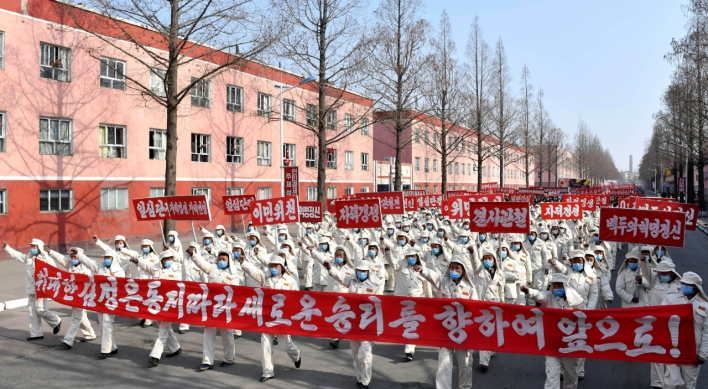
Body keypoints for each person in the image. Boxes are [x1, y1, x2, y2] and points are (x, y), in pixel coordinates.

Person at [236, 254, 302, 382]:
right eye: (271, 266)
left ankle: (296, 355)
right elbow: (253, 271)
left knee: (285, 345)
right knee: (265, 343)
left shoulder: (290, 280)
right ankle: (268, 372)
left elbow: (296, 299)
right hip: (267, 317)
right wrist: (244, 262)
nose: (273, 268)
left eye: (275, 266)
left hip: (283, 318)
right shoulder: (265, 278)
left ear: (282, 267)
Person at [415, 255, 477, 389]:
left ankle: (465, 387)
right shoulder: (444, 281)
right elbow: (433, 276)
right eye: (452, 267)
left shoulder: (470, 288)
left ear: (463, 271)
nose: (454, 270)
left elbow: (476, 310)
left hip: (463, 331)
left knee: (465, 364)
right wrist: (422, 270)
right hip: (446, 330)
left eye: (457, 268)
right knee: (443, 364)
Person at [521, 273, 586, 389]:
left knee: (571, 377)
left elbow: (584, 322)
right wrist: (528, 291)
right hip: (552, 343)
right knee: (551, 376)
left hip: (570, 345)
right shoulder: (549, 296)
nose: (556, 288)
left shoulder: (578, 301)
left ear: (566, 285)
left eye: (559, 285)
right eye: (554, 285)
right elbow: (539, 295)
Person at [325, 260, 382, 389]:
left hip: (368, 322)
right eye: (359, 271)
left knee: (365, 354)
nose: (361, 273)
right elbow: (338, 275)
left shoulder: (376, 283)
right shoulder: (351, 280)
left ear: (369, 272)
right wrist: (329, 267)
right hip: (353, 322)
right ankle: (360, 377)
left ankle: (365, 381)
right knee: (356, 353)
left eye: (364, 271)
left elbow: (381, 303)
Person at [189, 246, 239, 371]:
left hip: (226, 308)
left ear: (229, 261)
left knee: (227, 334)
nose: (221, 261)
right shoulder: (213, 269)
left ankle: (229, 358)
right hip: (211, 307)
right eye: (220, 259)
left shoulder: (234, 275)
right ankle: (207, 361)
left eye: (224, 259)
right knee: (208, 333)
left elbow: (236, 292)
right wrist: (194, 255)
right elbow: (202, 264)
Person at [129, 250, 183, 366]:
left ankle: (155, 355)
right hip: (157, 303)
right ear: (162, 260)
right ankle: (175, 348)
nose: (168, 261)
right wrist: (137, 261)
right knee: (164, 326)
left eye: (170, 259)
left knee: (163, 329)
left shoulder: (177, 270)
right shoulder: (156, 268)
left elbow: (180, 287)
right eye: (166, 259)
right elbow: (146, 265)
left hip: (169, 304)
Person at [3, 239, 62, 340]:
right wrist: (7, 248)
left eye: (34, 247)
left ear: (39, 247)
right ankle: (36, 333)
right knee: (32, 312)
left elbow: (55, 272)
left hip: (42, 289)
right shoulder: (29, 257)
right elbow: (18, 256)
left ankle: (56, 321)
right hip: (31, 289)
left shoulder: (46, 259)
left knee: (41, 310)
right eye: (31, 247)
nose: (32, 249)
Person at [75, 247, 125, 358]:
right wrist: (78, 253)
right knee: (103, 325)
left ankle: (105, 350)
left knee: (107, 324)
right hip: (100, 301)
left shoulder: (119, 272)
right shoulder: (100, 267)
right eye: (105, 257)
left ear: (114, 259)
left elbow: (121, 288)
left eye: (109, 258)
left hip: (111, 302)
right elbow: (89, 262)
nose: (107, 259)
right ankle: (113, 347)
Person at [661, 272, 708, 389]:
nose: (684, 286)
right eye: (683, 283)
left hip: (692, 352)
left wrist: (703, 354)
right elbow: (660, 320)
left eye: (688, 284)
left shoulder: (704, 306)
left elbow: (706, 331)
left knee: (688, 385)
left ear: (695, 287)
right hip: (672, 349)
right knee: (670, 384)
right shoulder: (670, 299)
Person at [385, 246, 426, 361]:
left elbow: (426, 286)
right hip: (402, 300)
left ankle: (409, 350)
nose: (411, 258)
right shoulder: (400, 264)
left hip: (416, 299)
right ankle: (408, 341)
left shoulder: (423, 267)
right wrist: (388, 251)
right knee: (405, 323)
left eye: (413, 256)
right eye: (409, 256)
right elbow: (391, 261)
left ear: (417, 256)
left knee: (411, 323)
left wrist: (428, 301)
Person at [51, 248, 96, 348]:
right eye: (71, 257)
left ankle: (68, 340)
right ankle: (90, 334)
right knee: (81, 315)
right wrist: (51, 252)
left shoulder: (85, 268)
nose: (73, 258)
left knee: (75, 318)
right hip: (73, 295)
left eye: (75, 256)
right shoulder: (71, 265)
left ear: (80, 257)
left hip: (82, 296)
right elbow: (61, 259)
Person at [467, 248, 504, 372]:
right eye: (485, 259)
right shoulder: (478, 269)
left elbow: (501, 290)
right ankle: (480, 358)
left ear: (494, 260)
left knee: (488, 331)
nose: (487, 260)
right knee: (478, 330)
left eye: (490, 258)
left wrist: (502, 305)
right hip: (479, 304)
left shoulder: (500, 274)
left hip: (493, 305)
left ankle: (484, 361)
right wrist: (472, 252)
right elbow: (474, 261)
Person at [646, 261, 681, 389]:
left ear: (672, 273)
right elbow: (647, 271)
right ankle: (657, 383)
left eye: (665, 272)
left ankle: (669, 383)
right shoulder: (655, 281)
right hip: (656, 323)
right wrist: (644, 262)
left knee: (671, 355)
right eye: (660, 272)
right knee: (655, 353)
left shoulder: (681, 286)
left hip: (673, 326)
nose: (662, 274)